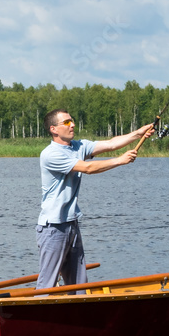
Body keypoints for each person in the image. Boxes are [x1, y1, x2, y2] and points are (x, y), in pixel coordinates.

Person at [36, 109, 154, 291]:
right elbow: (88, 167)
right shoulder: (50, 154)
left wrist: (138, 133)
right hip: (53, 227)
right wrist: (120, 161)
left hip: (72, 224)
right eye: (66, 122)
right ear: (54, 129)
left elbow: (111, 144)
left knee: (79, 285)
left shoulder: (78, 146)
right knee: (47, 284)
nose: (72, 124)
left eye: (72, 120)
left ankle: (80, 315)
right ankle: (34, 316)